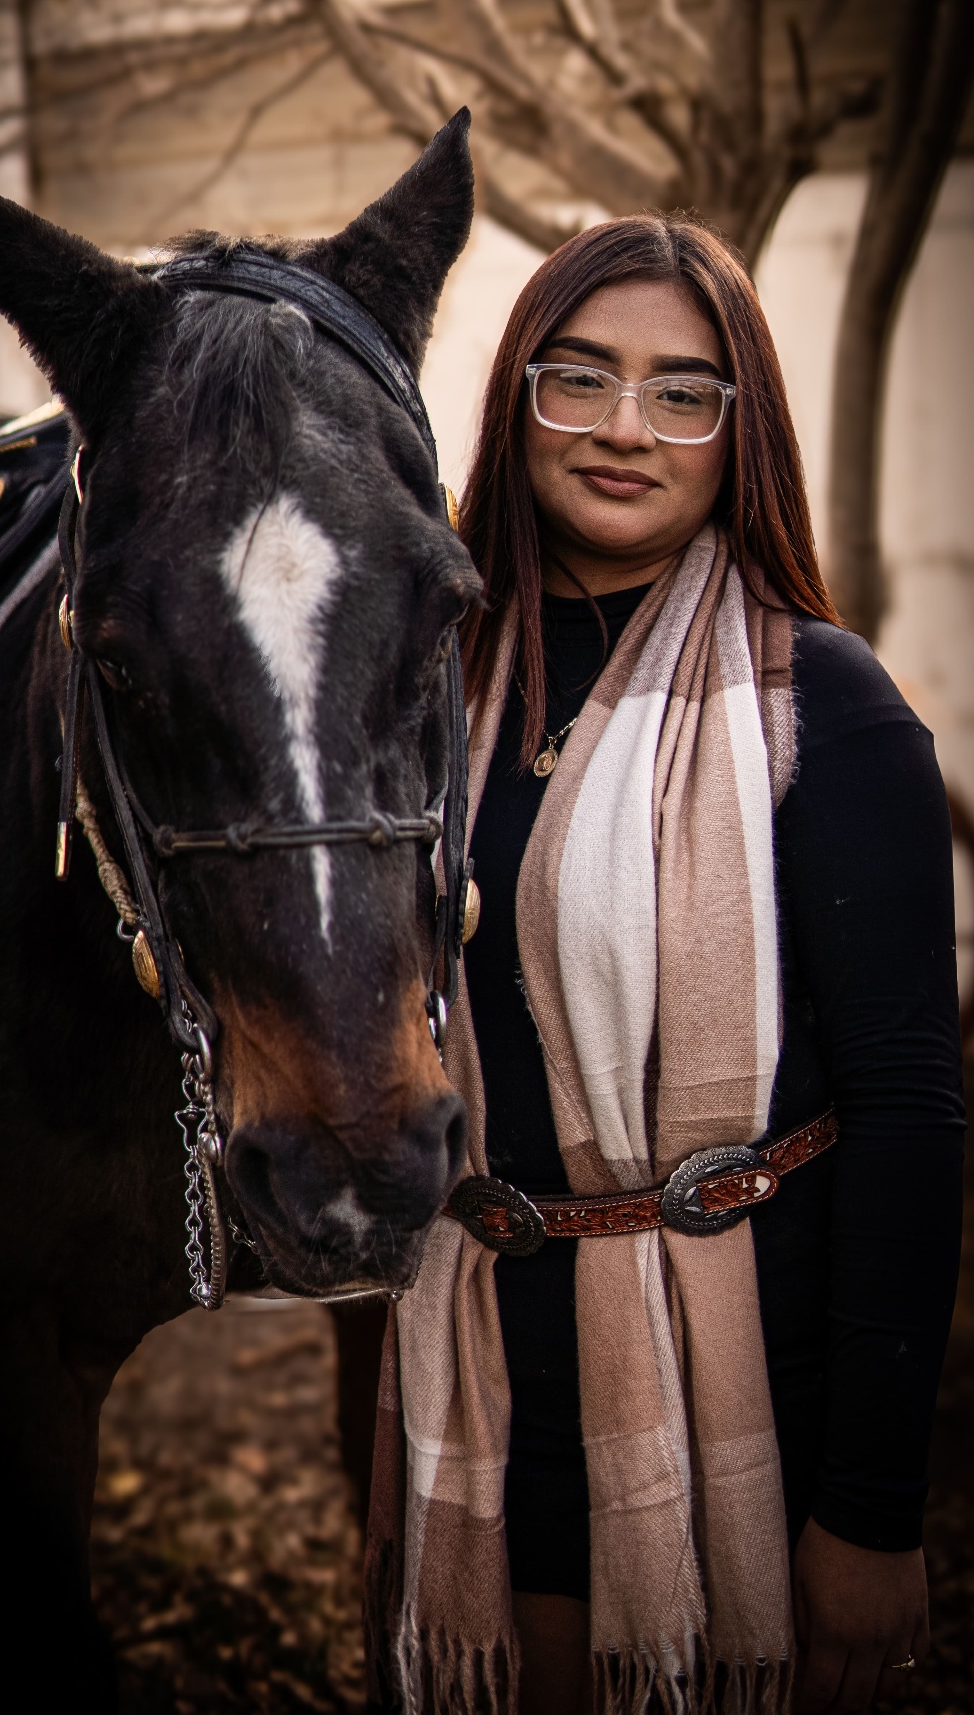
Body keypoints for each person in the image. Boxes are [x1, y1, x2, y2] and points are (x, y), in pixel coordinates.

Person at [364, 217, 965, 1715]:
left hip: (743, 1387)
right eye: (583, 377)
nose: (627, 427)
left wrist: (874, 1512)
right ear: (518, 399)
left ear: (738, 425)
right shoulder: (419, 690)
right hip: (485, 1379)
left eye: (685, 390)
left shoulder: (819, 702)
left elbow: (909, 1112)